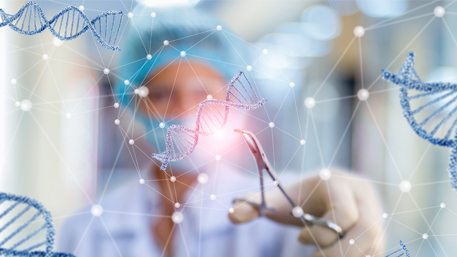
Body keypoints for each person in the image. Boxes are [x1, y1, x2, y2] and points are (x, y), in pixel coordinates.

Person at [57, 6, 384, 257]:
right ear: (133, 106)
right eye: (160, 95)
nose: (186, 111)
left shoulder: (280, 214)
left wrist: (345, 214)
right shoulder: (85, 228)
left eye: (204, 95)